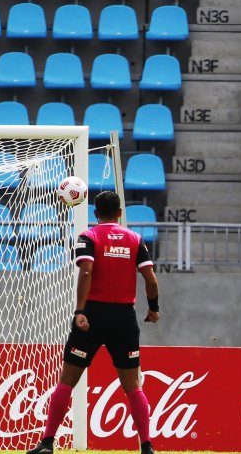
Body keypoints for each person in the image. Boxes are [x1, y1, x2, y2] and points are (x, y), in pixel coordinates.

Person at [27, 191, 160, 454]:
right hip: (124, 318)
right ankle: (146, 446)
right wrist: (154, 309)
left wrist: (80, 310)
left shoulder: (88, 237)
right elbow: (151, 279)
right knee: (132, 386)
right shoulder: (135, 240)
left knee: (67, 380)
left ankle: (47, 443)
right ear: (120, 213)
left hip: (92, 316)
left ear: (96, 214)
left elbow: (86, 270)